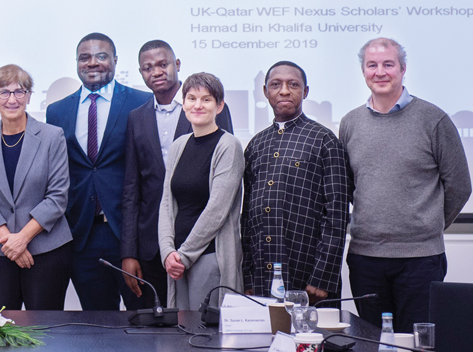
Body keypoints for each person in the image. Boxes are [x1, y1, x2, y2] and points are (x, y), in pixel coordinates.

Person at [340, 38, 471, 332]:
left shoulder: (433, 120)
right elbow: (349, 185)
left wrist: (428, 224)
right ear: (363, 71)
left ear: (403, 68)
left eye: (388, 64)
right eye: (372, 65)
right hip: (365, 258)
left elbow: (460, 185)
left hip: (421, 259)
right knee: (372, 342)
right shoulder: (350, 123)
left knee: (416, 342)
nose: (380, 71)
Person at [121, 40, 232, 308]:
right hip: (150, 245)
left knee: (196, 327)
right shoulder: (137, 117)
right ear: (141, 74)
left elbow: (222, 181)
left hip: (201, 242)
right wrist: (129, 252)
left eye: (162, 64)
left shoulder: (206, 108)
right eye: (148, 67)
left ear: (177, 65)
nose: (156, 71)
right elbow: (131, 188)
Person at [45, 33, 151, 310]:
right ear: (77, 63)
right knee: (96, 324)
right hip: (82, 235)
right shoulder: (57, 111)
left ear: (115, 60)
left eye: (101, 56)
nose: (93, 63)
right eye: (85, 57)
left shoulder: (142, 103)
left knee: (144, 321)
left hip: (128, 234)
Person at [241, 61, 349, 304]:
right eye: (276, 84)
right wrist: (247, 277)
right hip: (261, 275)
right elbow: (247, 218)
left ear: (305, 91)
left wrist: (323, 276)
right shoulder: (256, 145)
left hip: (308, 275)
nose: (284, 91)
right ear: (265, 92)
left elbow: (337, 213)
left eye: (293, 85)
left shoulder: (324, 140)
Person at [0, 64, 72, 310]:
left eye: (19, 91)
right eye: (4, 92)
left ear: (28, 96)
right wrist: (11, 243)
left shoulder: (52, 136)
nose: (12, 99)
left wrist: (23, 238)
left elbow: (57, 196)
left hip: (46, 251)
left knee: (45, 333)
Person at [158, 72, 243, 311]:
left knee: (205, 335)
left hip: (209, 257)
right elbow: (166, 203)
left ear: (219, 106)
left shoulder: (229, 145)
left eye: (206, 99)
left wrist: (183, 256)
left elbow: (217, 209)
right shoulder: (179, 146)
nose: (198, 105)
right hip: (176, 258)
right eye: (191, 98)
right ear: (183, 104)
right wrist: (168, 252)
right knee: (181, 333)